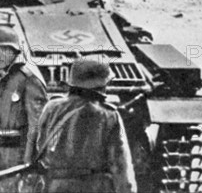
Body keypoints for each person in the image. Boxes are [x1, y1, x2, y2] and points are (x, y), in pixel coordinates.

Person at [36, 59, 137, 193]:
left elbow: (40, 146)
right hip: (94, 187)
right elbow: (119, 166)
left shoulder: (52, 108)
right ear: (102, 85)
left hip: (56, 186)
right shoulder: (109, 115)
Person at [0, 26, 47, 193]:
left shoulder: (28, 80)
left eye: (3, 49)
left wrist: (29, 161)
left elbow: (37, 125)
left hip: (16, 154)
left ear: (14, 51)